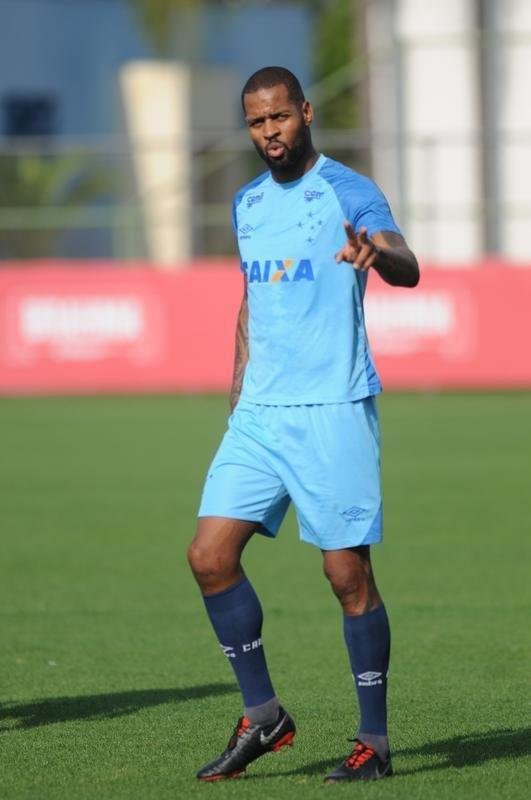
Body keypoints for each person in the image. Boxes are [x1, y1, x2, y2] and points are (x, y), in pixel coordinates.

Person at [187, 65, 419, 783]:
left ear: (305, 112)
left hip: (331, 409)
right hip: (259, 414)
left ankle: (373, 743)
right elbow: (252, 300)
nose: (269, 133)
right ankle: (264, 717)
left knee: (346, 575)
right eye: (257, 123)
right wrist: (236, 389)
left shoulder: (347, 189)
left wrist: (377, 255)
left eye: (280, 118)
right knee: (209, 558)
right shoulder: (247, 202)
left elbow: (406, 265)